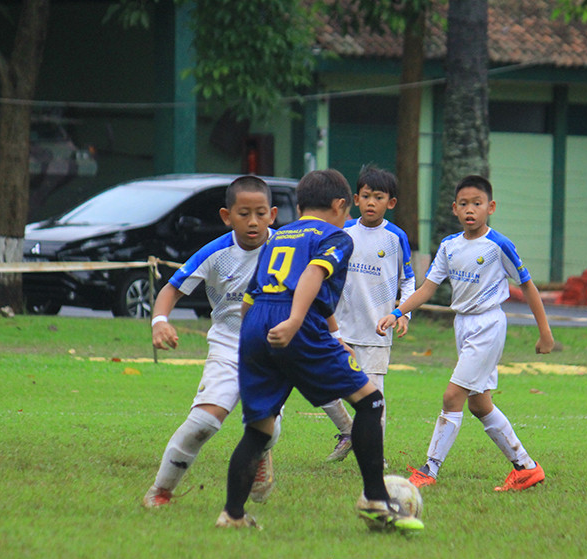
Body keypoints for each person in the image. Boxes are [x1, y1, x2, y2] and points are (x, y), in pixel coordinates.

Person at [216, 169, 423, 532]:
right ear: (342, 205)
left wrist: (256, 342)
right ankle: (376, 498)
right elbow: (313, 275)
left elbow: (253, 293)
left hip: (256, 323)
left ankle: (231, 515)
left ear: (299, 206)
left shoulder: (279, 238)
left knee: (258, 430)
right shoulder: (336, 236)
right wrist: (296, 321)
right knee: (370, 401)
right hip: (294, 321)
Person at [376, 174, 554, 491]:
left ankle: (428, 470)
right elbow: (428, 288)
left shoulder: (499, 245)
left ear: (491, 207)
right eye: (464, 204)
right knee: (479, 404)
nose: (470, 210)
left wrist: (545, 332)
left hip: (488, 325)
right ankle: (526, 467)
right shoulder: (449, 246)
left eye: (477, 203)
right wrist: (397, 311)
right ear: (454, 209)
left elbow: (527, 286)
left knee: (452, 396)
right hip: (463, 325)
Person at [142, 175, 280, 508]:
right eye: (243, 213)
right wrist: (160, 322)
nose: (253, 222)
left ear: (272, 215)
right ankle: (160, 491)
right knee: (203, 422)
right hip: (228, 346)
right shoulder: (215, 252)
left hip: (273, 351)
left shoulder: (286, 248)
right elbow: (171, 289)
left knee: (267, 429)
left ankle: (261, 454)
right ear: (226, 216)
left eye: (260, 213)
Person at [322, 166, 416, 462]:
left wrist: (403, 312)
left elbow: (408, 280)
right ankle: (348, 431)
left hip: (376, 332)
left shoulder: (396, 237)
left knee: (374, 399)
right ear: (355, 199)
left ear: (391, 203)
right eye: (366, 196)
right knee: (322, 385)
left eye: (379, 197)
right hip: (338, 329)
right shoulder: (344, 232)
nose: (371, 202)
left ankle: (375, 456)